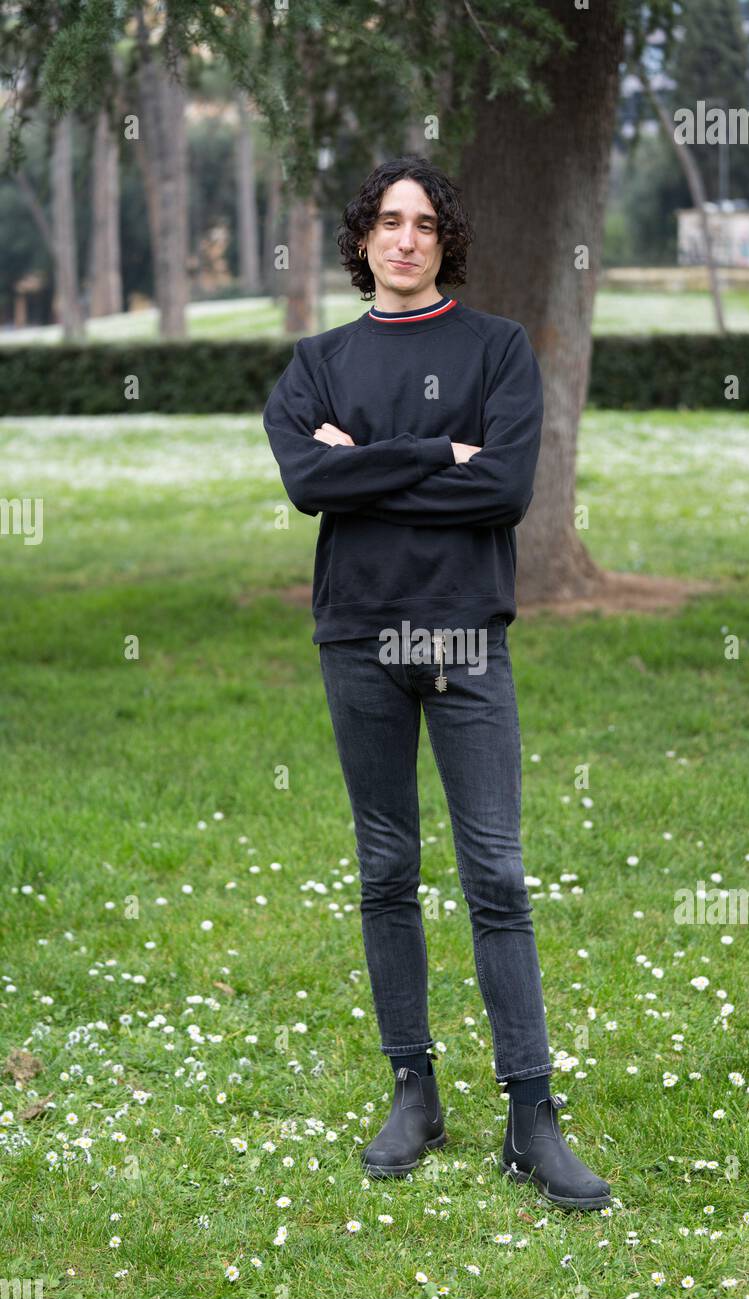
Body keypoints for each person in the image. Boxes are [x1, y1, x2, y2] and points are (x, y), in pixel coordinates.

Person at [263, 154, 611, 1211]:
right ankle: (412, 1090)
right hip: (357, 639)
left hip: (460, 639)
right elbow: (303, 481)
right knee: (384, 867)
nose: (404, 240)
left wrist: (365, 464)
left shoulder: (497, 348)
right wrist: (433, 454)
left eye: (422, 224)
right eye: (386, 222)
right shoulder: (315, 362)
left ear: (442, 240)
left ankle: (530, 1113)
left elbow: (502, 489)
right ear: (361, 240)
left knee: (495, 874)